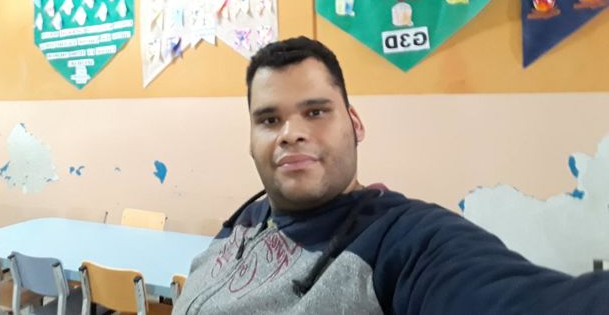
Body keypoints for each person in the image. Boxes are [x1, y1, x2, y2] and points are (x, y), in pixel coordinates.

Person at [174, 36, 609, 314]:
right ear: (251, 139)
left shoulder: (402, 240)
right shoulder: (246, 220)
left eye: (316, 112)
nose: (290, 133)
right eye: (269, 120)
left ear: (355, 124)